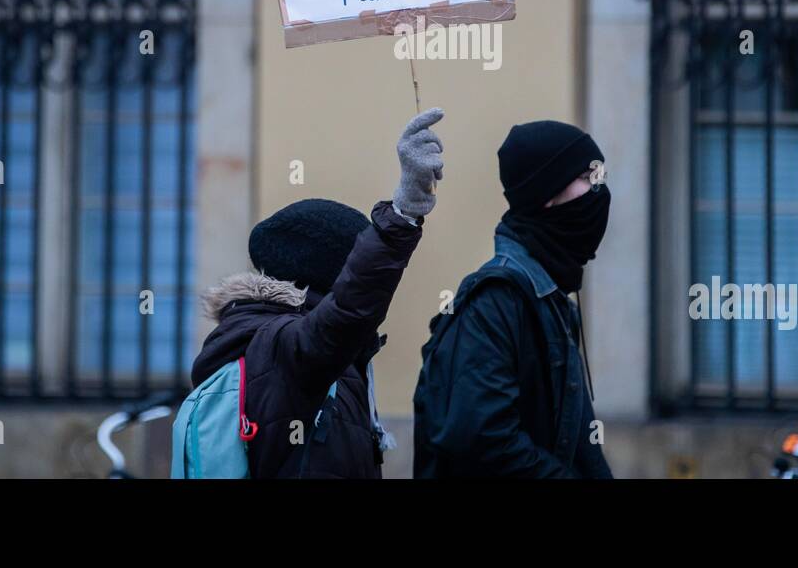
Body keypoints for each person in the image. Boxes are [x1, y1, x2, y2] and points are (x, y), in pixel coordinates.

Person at [190, 107, 444, 478]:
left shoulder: (266, 337)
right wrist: (402, 215)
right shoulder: (284, 346)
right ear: (335, 279)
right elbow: (348, 312)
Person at [413, 119, 613, 478]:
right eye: (588, 177)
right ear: (547, 195)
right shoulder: (495, 301)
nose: (600, 189)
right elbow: (484, 441)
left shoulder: (551, 299)